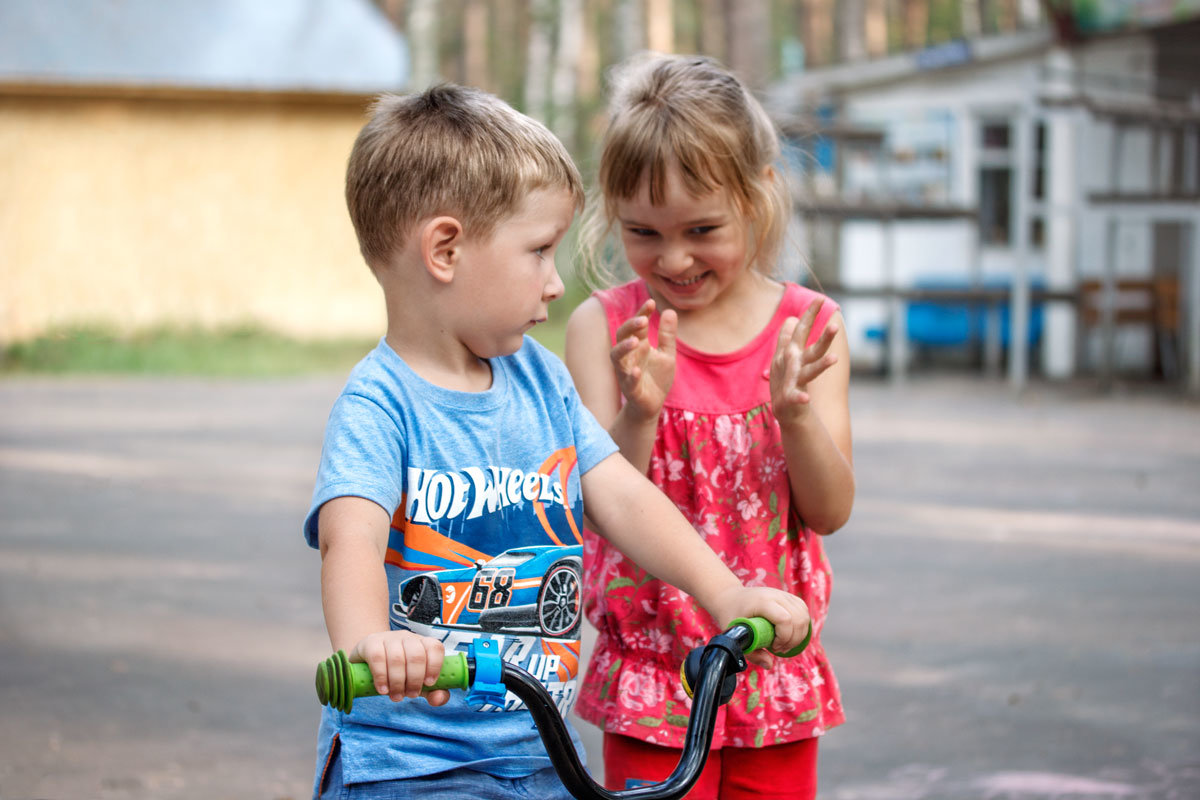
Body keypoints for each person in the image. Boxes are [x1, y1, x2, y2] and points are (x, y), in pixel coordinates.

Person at [303, 83, 812, 800]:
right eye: (539, 252)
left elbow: (623, 496)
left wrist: (724, 594)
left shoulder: (540, 380)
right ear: (445, 250)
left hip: (537, 748)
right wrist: (368, 644)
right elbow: (348, 539)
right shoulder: (381, 405)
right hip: (415, 763)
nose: (553, 283)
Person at [565, 54, 856, 799]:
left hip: (771, 668)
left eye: (702, 228)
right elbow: (601, 503)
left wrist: (794, 415)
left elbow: (829, 510)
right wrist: (640, 411)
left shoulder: (810, 325)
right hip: (652, 675)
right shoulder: (603, 328)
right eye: (643, 231)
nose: (674, 257)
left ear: (758, 196)